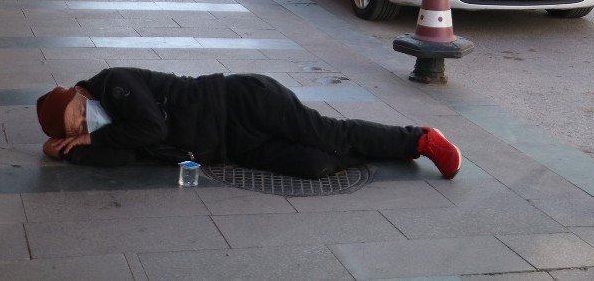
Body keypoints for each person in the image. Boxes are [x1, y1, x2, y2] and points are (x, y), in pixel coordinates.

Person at [36, 67, 462, 180]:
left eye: (77, 115)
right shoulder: (105, 127)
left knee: (329, 134)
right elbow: (122, 156)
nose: (82, 125)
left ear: (76, 93)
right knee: (316, 166)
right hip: (234, 147)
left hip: (244, 101)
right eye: (73, 129)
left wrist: (92, 133)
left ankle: (420, 140)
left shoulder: (115, 84)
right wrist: (73, 155)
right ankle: (380, 151)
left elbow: (152, 130)